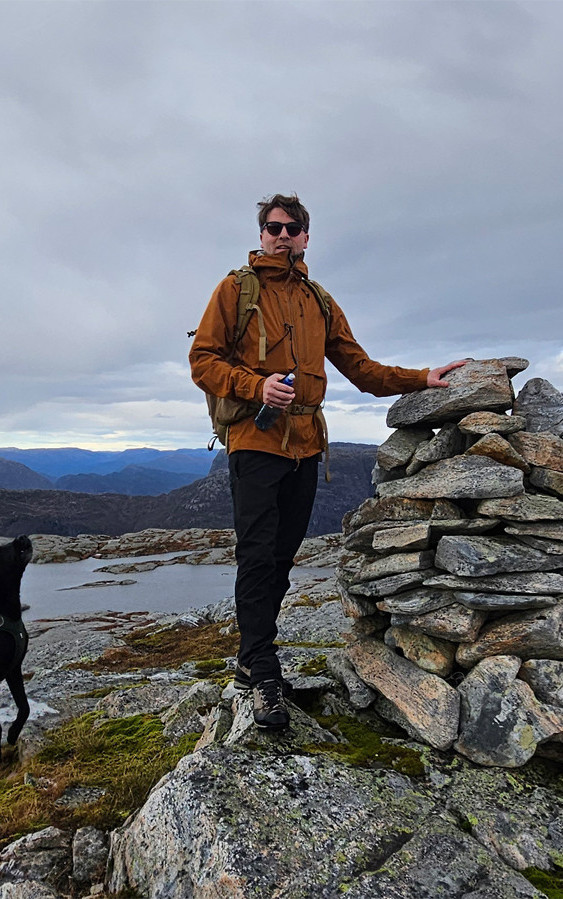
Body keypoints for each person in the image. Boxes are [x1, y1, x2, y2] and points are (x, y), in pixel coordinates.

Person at [189, 194, 466, 729]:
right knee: (257, 554)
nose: (283, 235)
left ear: (307, 237)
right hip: (254, 439)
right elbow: (203, 358)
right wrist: (256, 384)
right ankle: (262, 670)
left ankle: (254, 658)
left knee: (283, 556)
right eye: (273, 227)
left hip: (306, 445)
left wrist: (422, 379)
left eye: (292, 228)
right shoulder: (235, 290)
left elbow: (358, 367)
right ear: (262, 234)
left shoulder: (318, 299)